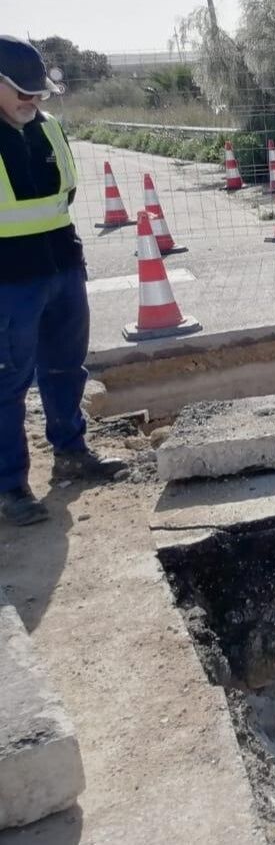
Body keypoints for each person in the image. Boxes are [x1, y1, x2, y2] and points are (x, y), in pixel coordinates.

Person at [0, 35, 126, 527]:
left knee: (65, 369)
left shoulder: (49, 128)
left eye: (37, 92)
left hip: (62, 268)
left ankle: (72, 451)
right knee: (8, 384)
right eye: (21, 91)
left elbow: (65, 194)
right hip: (9, 282)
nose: (32, 101)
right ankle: (11, 486)